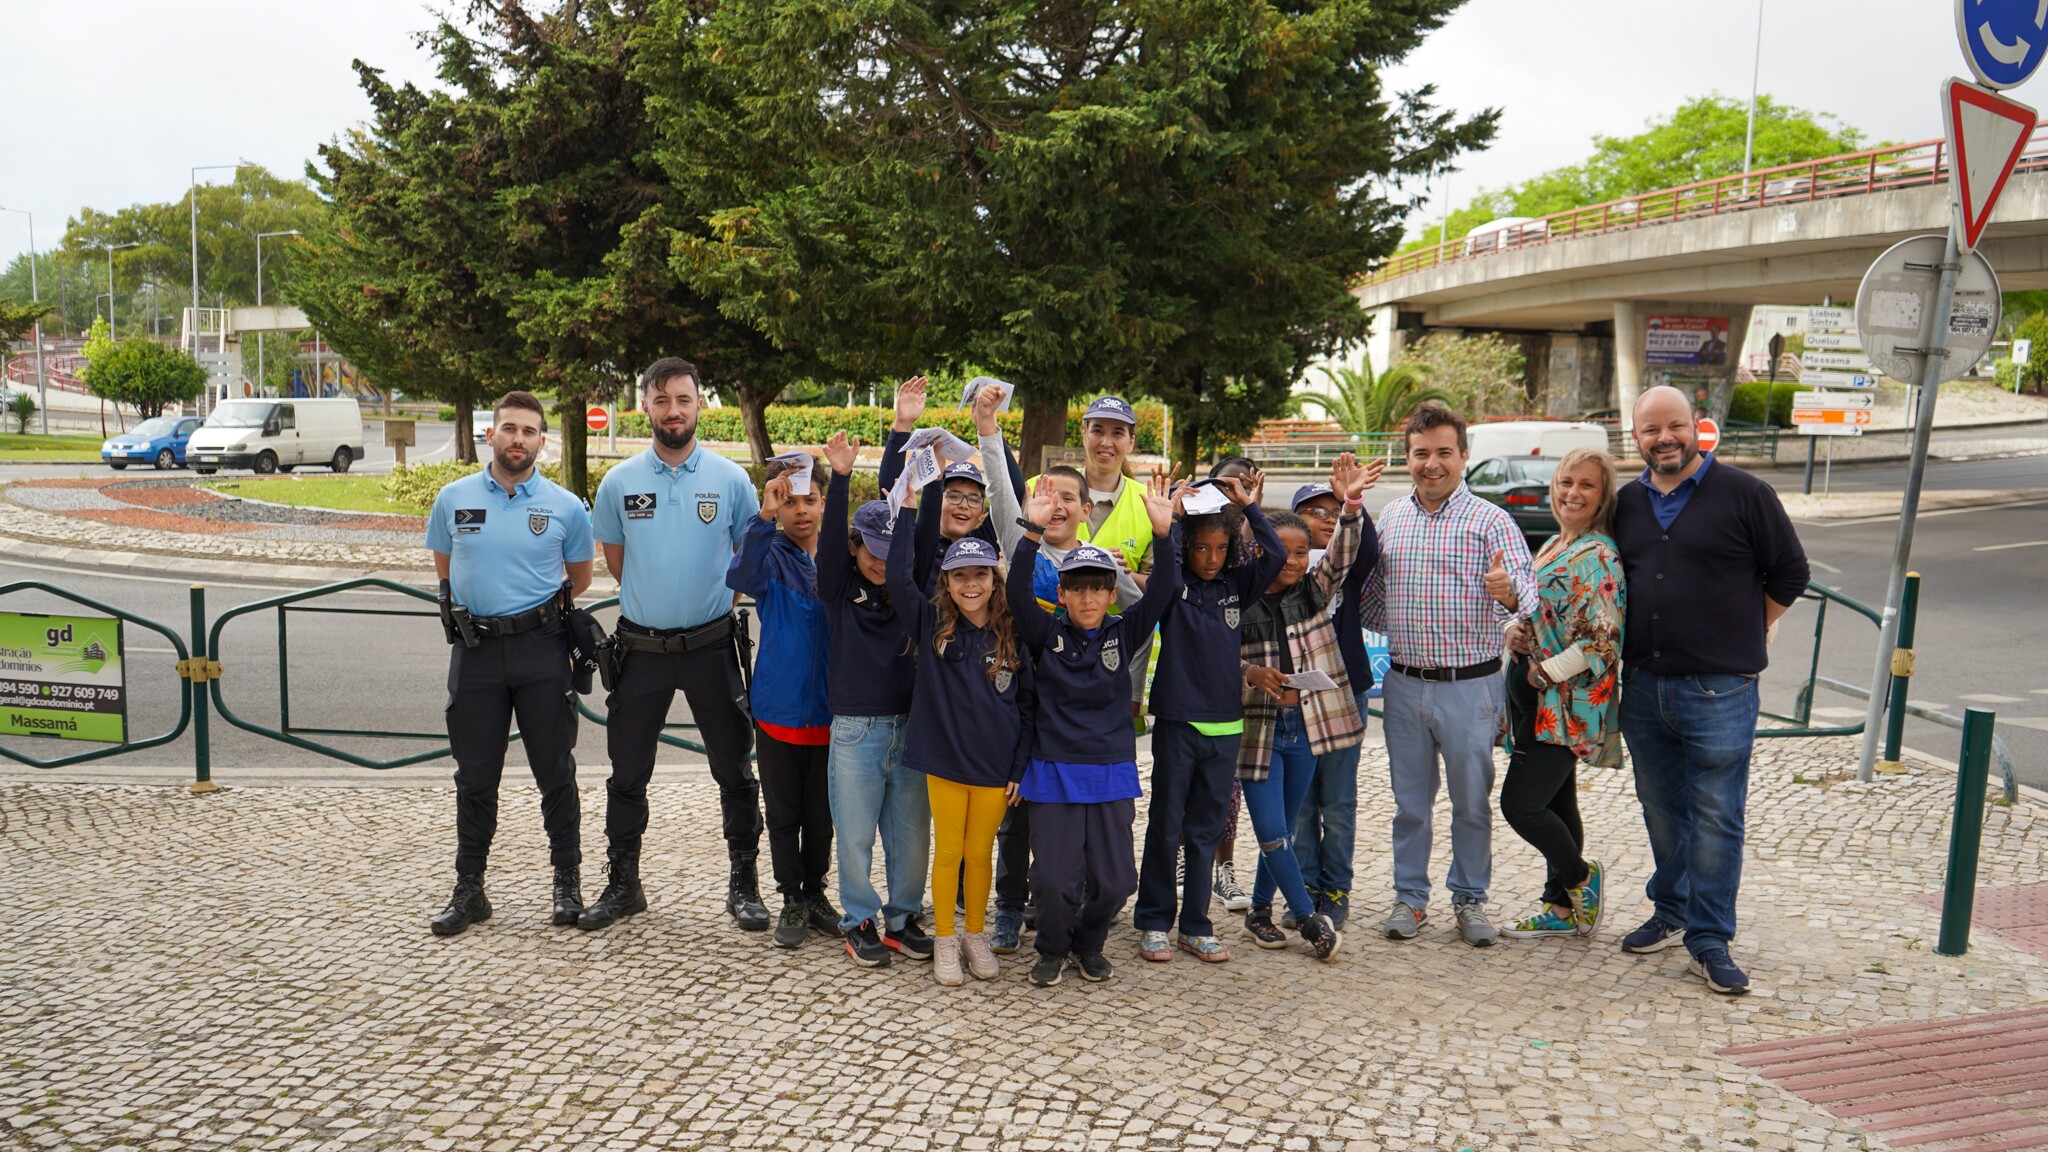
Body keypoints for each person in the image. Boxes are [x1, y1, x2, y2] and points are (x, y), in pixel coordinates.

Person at [1609, 384, 1808, 994]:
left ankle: (1709, 938)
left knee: (1718, 814)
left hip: (1721, 690)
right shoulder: (1627, 503)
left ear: (1697, 426)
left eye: (1674, 426)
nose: (1664, 438)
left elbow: (1791, 572)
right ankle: (1672, 909)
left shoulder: (1746, 493)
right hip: (1644, 687)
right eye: (1651, 430)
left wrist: (1746, 628)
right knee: (1660, 807)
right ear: (1636, 438)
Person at [582, 358, 769, 933]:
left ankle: (744, 884)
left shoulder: (731, 480)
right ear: (645, 407)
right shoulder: (618, 483)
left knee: (734, 770)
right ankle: (624, 884)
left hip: (713, 647)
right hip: (641, 651)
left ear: (698, 406)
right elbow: (619, 564)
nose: (673, 411)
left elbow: (746, 560)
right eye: (661, 400)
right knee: (627, 772)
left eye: (683, 400)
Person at [1361, 404, 1534, 948]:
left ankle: (1469, 899)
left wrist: (1510, 595)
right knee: (1410, 805)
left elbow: (1526, 599)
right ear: (1407, 458)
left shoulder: (1491, 521)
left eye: (1443, 452)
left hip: (1471, 687)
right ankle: (1410, 898)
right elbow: (1373, 604)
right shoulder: (1391, 518)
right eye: (1421, 453)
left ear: (1463, 456)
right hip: (1404, 684)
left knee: (1471, 803)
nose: (1431, 464)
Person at [425, 390, 596, 936]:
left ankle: (567, 882)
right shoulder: (452, 499)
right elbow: (446, 568)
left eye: (528, 431)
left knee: (555, 771)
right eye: (509, 428)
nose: (517, 439)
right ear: (490, 434)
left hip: (542, 648)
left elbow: (580, 578)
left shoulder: (566, 507)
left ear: (542, 441)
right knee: (475, 777)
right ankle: (470, 889)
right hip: (475, 652)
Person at [1008, 474, 1179, 987]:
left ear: (1110, 594)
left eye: (1098, 588)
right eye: (1078, 588)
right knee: (1052, 880)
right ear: (1062, 593)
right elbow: (1016, 592)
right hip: (1053, 771)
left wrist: (1164, 535)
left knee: (1115, 881)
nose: (1088, 598)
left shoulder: (1123, 633)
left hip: (1110, 771)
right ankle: (1051, 948)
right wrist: (1031, 533)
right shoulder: (1044, 633)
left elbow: (1162, 592)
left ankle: (1088, 944)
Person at [1132, 472, 1287, 962]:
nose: (1212, 558)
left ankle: (1196, 926)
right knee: (1166, 824)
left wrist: (1249, 509)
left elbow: (1276, 557)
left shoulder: (1236, 585)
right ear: (1188, 547)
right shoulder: (1173, 585)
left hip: (1226, 726)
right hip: (1178, 721)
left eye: (1221, 549)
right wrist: (1172, 521)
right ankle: (1154, 920)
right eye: (1202, 548)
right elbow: (1164, 574)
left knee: (1206, 831)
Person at [1237, 453, 1379, 961]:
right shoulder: (1239, 596)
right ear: (1261, 549)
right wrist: (1250, 673)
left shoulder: (1315, 591)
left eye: (1301, 552)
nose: (1294, 561)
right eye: (1282, 551)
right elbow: (1214, 657)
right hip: (1257, 729)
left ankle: (1259, 911)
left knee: (1286, 827)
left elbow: (1342, 553)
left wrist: (1351, 502)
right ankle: (1308, 920)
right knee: (1274, 831)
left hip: (1305, 727)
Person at [887, 496, 1033, 987]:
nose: (971, 584)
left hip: (995, 768)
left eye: (981, 575)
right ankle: (946, 939)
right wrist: (909, 511)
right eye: (960, 576)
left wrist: (1019, 767)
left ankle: (975, 933)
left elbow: (1027, 706)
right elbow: (897, 580)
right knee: (949, 851)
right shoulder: (932, 625)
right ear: (946, 583)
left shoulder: (1013, 632)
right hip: (946, 763)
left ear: (995, 580)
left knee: (980, 852)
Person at [1492, 448, 1624, 941]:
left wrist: (1541, 675)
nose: (1573, 492)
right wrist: (1513, 630)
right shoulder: (1554, 543)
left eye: (1587, 485)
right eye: (1566, 481)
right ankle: (1560, 908)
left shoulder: (1598, 555)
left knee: (1521, 806)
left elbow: (1602, 642)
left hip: (1565, 706)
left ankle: (1581, 879)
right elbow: (1539, 611)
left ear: (1603, 496)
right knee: (1560, 804)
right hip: (1537, 702)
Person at [817, 431, 932, 967]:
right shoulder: (838, 589)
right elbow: (828, 550)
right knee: (856, 834)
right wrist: (841, 477)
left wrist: (915, 500)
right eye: (872, 552)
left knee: (910, 837)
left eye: (891, 553)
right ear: (854, 547)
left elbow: (918, 543)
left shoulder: (910, 592)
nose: (881, 563)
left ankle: (903, 918)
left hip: (910, 726)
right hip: (855, 730)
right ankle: (859, 919)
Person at [726, 456, 838, 948]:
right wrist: (763, 516)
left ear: (824, 503)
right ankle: (791, 897)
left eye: (810, 500)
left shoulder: (841, 556)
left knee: (822, 816)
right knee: (784, 813)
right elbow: (739, 576)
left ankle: (816, 893)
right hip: (778, 710)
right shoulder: (769, 554)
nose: (801, 511)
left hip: (832, 712)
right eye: (789, 502)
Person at [1284, 479, 1381, 930]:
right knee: (1301, 803)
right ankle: (1303, 888)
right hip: (1293, 698)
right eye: (1315, 511)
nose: (1326, 519)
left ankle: (1337, 887)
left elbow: (1365, 548)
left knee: (1338, 803)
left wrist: (1351, 502)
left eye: (1332, 511)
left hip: (1345, 694)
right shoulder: (1284, 570)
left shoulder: (1347, 565)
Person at [1204, 455, 1261, 913]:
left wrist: (1250, 511)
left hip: (1244, 674)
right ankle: (1185, 860)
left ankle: (1224, 867)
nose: (1231, 494)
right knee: (1184, 783)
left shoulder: (1254, 541)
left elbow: (1271, 559)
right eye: (1224, 485)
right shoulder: (1197, 538)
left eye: (1241, 486)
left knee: (1229, 786)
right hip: (1196, 674)